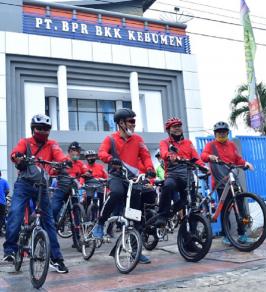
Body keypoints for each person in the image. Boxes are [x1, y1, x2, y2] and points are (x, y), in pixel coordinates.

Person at [3, 114, 68, 273]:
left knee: (49, 222)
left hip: (42, 187)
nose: (43, 131)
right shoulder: (25, 142)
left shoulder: (52, 144)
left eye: (46, 129)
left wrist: (63, 162)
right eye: (39, 128)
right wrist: (18, 157)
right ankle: (10, 250)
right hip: (23, 185)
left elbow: (59, 155)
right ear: (33, 129)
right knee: (16, 213)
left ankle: (56, 259)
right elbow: (15, 153)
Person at [95, 108, 156, 264]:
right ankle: (100, 223)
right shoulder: (111, 139)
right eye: (131, 121)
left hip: (132, 180)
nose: (134, 124)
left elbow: (146, 156)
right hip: (116, 176)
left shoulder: (138, 140)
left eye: (134, 121)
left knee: (136, 217)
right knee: (116, 193)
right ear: (121, 123)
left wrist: (150, 169)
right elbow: (101, 152)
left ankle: (135, 252)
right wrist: (110, 158)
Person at [200, 121, 254, 245]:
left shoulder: (231, 145)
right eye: (219, 132)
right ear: (215, 133)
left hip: (233, 178)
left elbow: (238, 159)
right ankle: (226, 235)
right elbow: (203, 156)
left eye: (224, 132)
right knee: (225, 209)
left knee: (241, 206)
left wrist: (246, 163)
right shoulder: (211, 145)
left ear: (227, 133)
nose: (222, 134)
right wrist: (210, 157)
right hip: (220, 181)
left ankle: (242, 234)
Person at [155, 117, 208, 226]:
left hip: (188, 176)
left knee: (190, 203)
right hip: (173, 175)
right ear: (168, 130)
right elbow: (164, 153)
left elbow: (196, 158)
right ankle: (162, 215)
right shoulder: (164, 142)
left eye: (179, 126)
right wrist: (171, 156)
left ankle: (192, 235)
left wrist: (204, 167)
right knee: (168, 186)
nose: (177, 128)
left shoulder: (188, 143)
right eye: (174, 126)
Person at [51, 141, 90, 224]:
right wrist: (56, 169)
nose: (79, 153)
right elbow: (52, 172)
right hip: (61, 188)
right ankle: (51, 225)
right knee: (54, 208)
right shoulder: (63, 160)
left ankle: (77, 233)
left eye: (79, 151)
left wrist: (87, 173)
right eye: (77, 151)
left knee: (77, 210)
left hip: (73, 189)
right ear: (70, 151)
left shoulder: (80, 163)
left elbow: (86, 170)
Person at [0, 171, 9, 237]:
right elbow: (8, 190)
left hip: (2, 202)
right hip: (2, 202)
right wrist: (4, 195)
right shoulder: (4, 181)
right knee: (2, 217)